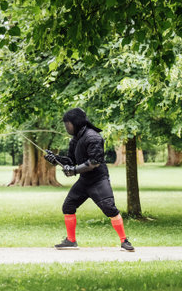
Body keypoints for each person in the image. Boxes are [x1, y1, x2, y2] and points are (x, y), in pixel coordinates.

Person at [45, 108, 135, 252]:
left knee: (109, 208)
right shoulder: (75, 139)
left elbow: (94, 162)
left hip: (98, 180)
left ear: (76, 122)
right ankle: (71, 241)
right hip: (85, 181)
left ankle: (124, 241)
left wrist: (73, 170)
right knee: (68, 206)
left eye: (67, 124)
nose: (66, 127)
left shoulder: (93, 137)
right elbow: (71, 160)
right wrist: (55, 159)